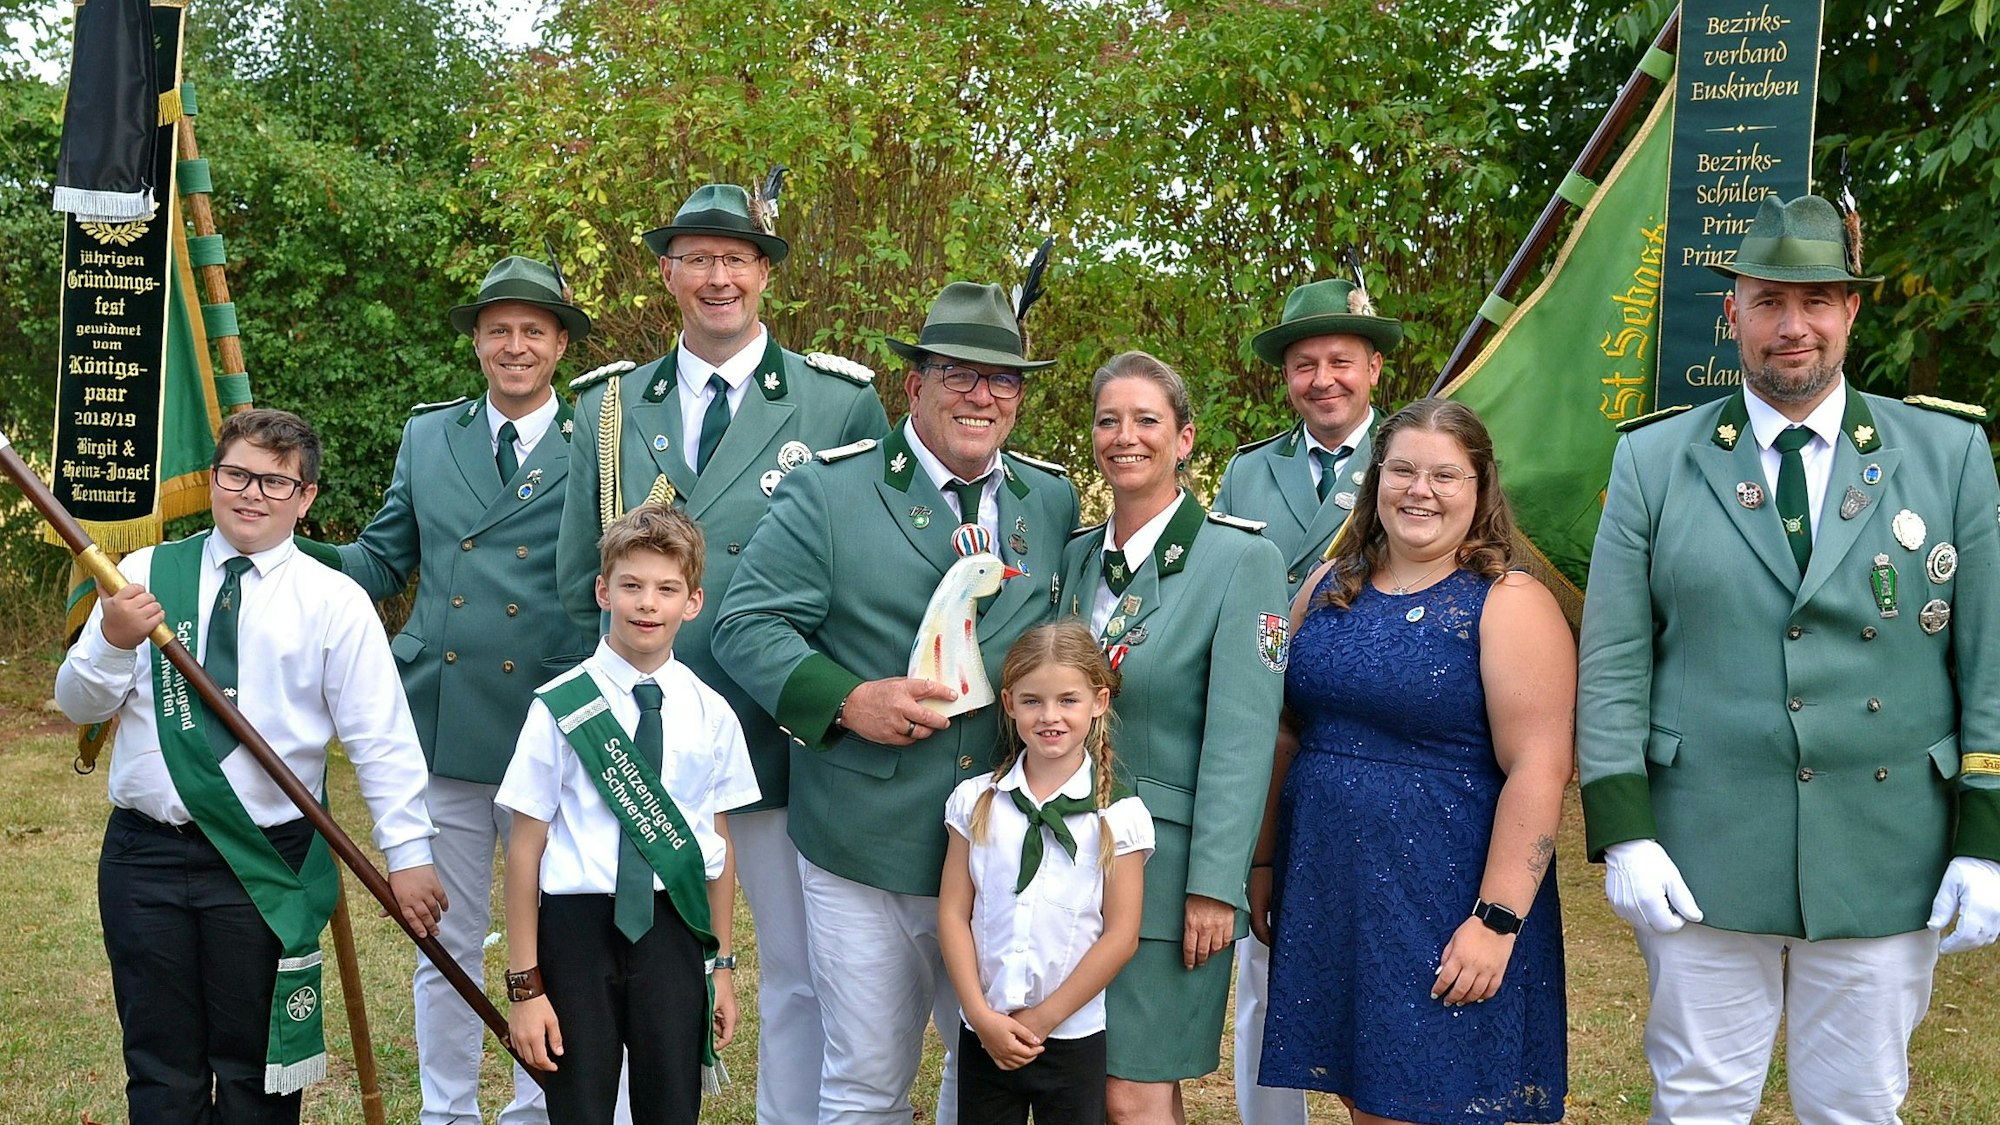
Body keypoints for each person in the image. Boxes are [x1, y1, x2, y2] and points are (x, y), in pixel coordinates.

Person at [1577, 193, 2000, 1123]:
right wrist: (1625, 826)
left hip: (1886, 848)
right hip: (1703, 848)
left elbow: (1988, 660)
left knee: (1856, 1105)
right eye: (1768, 301)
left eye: (1815, 301)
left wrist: (1985, 839)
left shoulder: (1949, 452)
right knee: (1696, 1103)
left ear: (1852, 310)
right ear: (1732, 315)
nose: (1792, 326)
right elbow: (1612, 660)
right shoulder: (1656, 461)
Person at [557, 183, 889, 1125]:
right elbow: (572, 579)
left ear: (765, 276)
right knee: (626, 955)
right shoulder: (612, 406)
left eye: (737, 259)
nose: (718, 277)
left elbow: (862, 575)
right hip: (636, 739)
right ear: (666, 273)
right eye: (697, 258)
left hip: (778, 736)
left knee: (792, 970)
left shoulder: (836, 403)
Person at [712, 281, 1080, 1125]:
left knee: (982, 1077)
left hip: (1000, 852)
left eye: (1004, 380)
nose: (981, 396)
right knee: (866, 1080)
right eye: (958, 373)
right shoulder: (830, 492)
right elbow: (746, 624)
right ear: (912, 386)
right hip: (866, 843)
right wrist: (847, 700)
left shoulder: (1051, 502)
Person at [54, 408, 445, 1124]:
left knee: (257, 1073)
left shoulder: (334, 601)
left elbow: (380, 738)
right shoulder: (144, 573)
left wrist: (410, 853)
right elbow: (75, 698)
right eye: (237, 473)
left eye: (275, 480)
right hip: (145, 858)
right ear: (212, 479)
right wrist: (111, 639)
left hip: (264, 861)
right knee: (159, 1062)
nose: (251, 493)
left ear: (306, 497)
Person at [294, 254, 596, 1125]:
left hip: (553, 719)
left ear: (560, 346)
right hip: (444, 717)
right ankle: (449, 1113)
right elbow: (379, 560)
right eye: (497, 330)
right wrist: (283, 536)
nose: (513, 346)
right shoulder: (429, 434)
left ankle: (538, 1110)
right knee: (446, 934)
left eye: (532, 331)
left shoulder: (601, 441)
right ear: (475, 342)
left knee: (559, 940)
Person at [1251, 398, 1571, 1124]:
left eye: (1445, 474)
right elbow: (1284, 732)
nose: (1419, 489)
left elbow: (1540, 766)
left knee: (1432, 1098)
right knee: (1369, 1100)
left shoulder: (1508, 602)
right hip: (1333, 888)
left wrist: (1496, 919)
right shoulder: (1326, 585)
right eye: (1401, 469)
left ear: (1481, 488)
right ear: (1376, 480)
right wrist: (1264, 863)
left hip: (1446, 895)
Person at [1051, 350, 1287, 1123]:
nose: (1126, 436)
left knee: (1135, 1089)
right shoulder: (1077, 557)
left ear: (1185, 440)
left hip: (1169, 868)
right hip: (1066, 860)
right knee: (1097, 1084)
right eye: (1108, 419)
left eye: (1147, 420)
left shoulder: (1240, 559)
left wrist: (1216, 883)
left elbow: (1242, 738)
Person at [1210, 273, 1402, 1125]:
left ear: (1373, 370)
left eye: (1339, 361)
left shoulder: (1411, 460)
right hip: (1269, 727)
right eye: (1303, 365)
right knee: (1265, 948)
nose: (1322, 380)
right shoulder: (1251, 474)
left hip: (1370, 728)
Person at [500, 502, 756, 1123]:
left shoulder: (712, 713)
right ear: (603, 590)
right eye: (632, 585)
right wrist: (525, 986)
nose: (647, 603)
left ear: (692, 602)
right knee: (579, 1107)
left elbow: (715, 847)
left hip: (672, 932)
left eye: (667, 589)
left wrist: (719, 966)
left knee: (672, 1106)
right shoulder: (561, 707)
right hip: (576, 932)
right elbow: (524, 849)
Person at [938, 621, 1153, 1124]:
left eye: (1068, 700)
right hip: (985, 1032)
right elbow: (953, 914)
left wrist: (1041, 1021)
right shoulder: (976, 802)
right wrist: (979, 1015)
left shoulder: (1118, 817)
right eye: (1033, 701)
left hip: (1071, 1036)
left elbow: (1121, 935)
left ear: (1099, 701)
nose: (1050, 716)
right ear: (1009, 703)